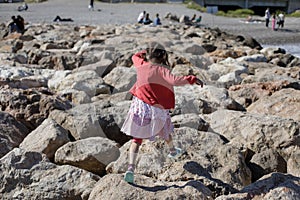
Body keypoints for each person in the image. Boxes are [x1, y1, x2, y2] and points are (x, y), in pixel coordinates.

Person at [122, 42, 204, 184]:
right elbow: (176, 81)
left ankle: (130, 168)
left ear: (148, 55)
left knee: (137, 140)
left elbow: (135, 56)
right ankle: (172, 151)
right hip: (156, 108)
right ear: (162, 56)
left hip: (140, 106)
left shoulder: (141, 64)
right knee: (165, 130)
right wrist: (192, 79)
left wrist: (146, 51)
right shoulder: (162, 70)